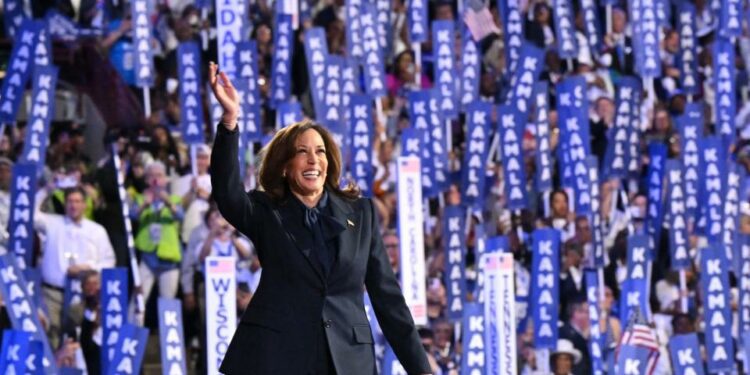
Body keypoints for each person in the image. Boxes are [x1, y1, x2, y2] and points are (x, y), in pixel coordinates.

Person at [208, 61, 432, 374]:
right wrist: (230, 121)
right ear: (285, 166)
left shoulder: (362, 213)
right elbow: (227, 193)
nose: (313, 159)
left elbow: (388, 300)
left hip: (346, 360)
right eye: (302, 151)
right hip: (278, 357)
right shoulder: (266, 211)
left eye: (321, 151)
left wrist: (422, 370)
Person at [35, 187, 116, 349]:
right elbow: (29, 214)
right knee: (51, 337)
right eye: (70, 201)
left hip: (82, 296)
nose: (74, 205)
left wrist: (89, 267)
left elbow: (109, 261)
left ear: (85, 205)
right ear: (65, 204)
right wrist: (47, 189)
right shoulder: (52, 223)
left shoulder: (97, 231)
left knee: (77, 338)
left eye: (78, 201)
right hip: (52, 293)